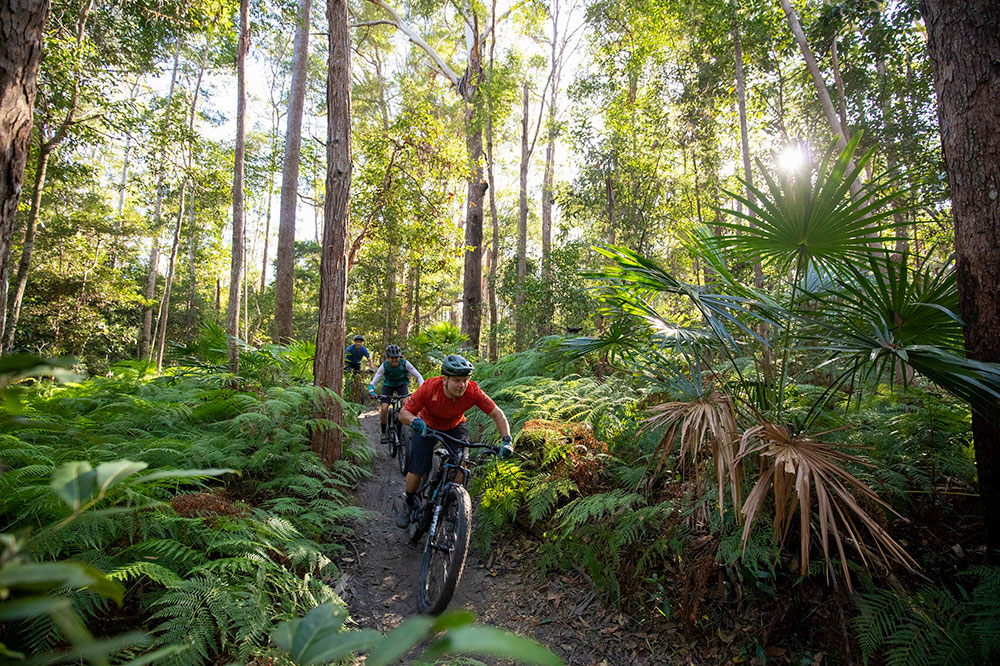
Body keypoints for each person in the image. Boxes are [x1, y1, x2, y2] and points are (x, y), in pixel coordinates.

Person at [395, 353, 514, 528]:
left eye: (465, 380)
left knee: (462, 463)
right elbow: (403, 413)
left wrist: (507, 440)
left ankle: (453, 501)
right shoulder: (429, 388)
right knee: (418, 468)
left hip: (455, 426)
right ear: (445, 379)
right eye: (457, 380)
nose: (462, 385)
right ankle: (409, 501)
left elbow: (497, 414)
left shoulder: (472, 391)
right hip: (427, 425)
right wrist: (415, 421)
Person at [369, 344, 425, 444]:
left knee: (405, 404)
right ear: (388, 358)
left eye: (396, 358)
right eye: (392, 358)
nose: (394, 360)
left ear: (399, 357)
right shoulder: (384, 366)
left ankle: (404, 429)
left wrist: (421, 388)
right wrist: (371, 391)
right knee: (384, 408)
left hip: (402, 385)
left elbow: (418, 376)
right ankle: (383, 433)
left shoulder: (405, 363)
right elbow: (374, 381)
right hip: (388, 385)